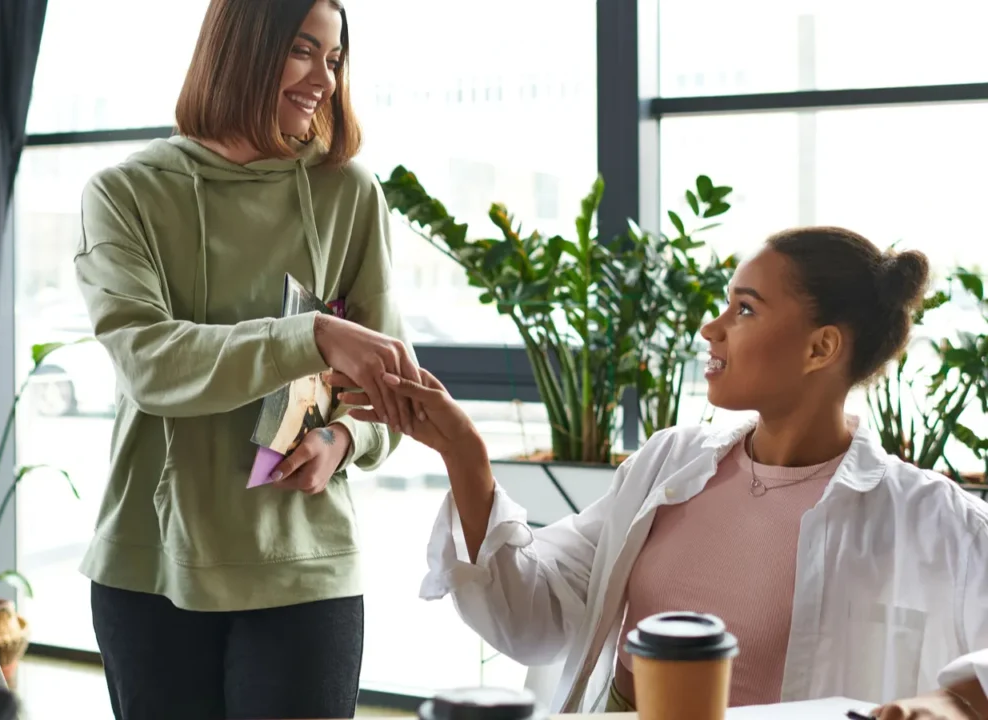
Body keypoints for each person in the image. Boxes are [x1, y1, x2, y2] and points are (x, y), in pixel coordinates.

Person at [335, 226, 988, 719]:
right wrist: (464, 454)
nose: (712, 329)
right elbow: (531, 616)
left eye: (746, 310)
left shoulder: (926, 514)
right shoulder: (669, 465)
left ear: (821, 347)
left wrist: (953, 701)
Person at [74, 0, 417, 717]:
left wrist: (345, 438)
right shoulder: (125, 193)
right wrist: (313, 336)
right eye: (302, 50)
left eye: (334, 58)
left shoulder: (349, 193)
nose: (323, 78)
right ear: (240, 49)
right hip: (152, 564)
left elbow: (391, 385)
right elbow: (149, 361)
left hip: (305, 566)